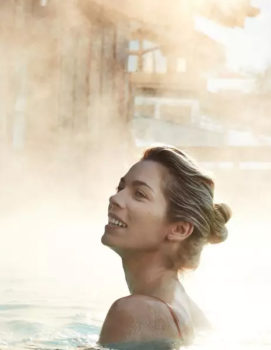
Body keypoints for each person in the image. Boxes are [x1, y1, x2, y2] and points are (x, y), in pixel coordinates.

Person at [99, 146, 231, 348]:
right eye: (120, 188)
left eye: (140, 194)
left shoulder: (134, 312)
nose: (115, 198)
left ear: (179, 229)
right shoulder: (191, 313)